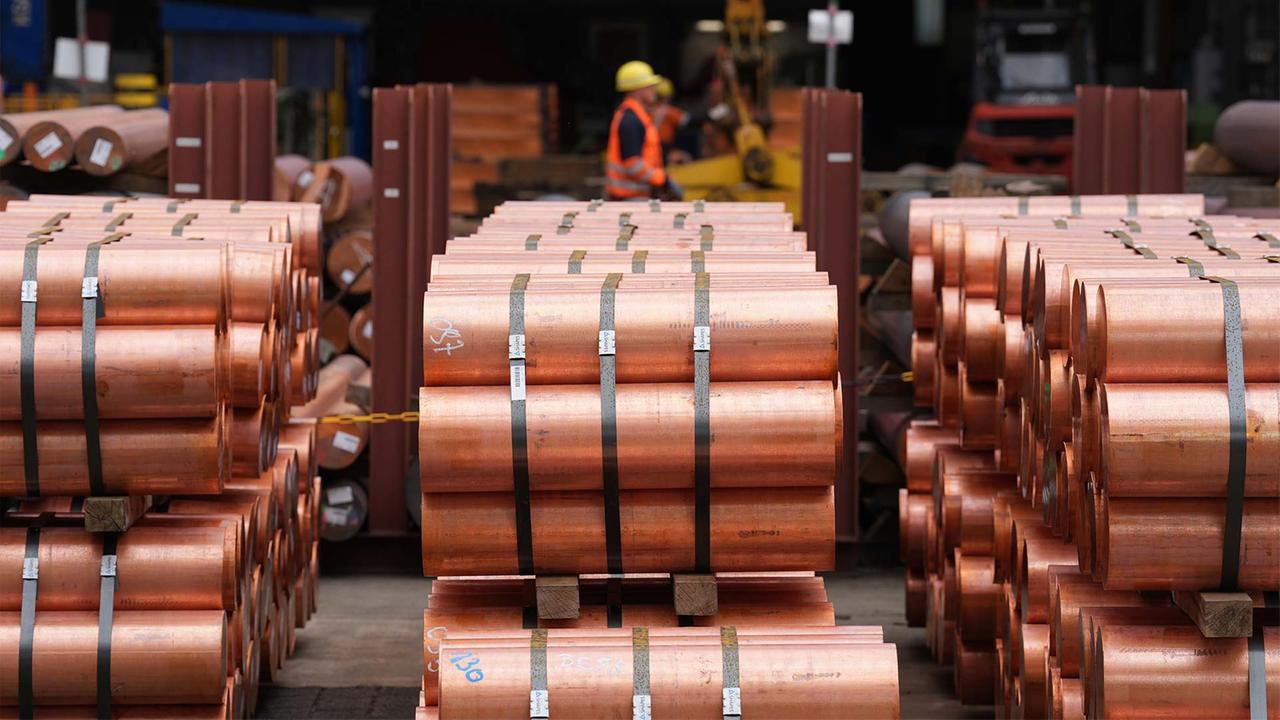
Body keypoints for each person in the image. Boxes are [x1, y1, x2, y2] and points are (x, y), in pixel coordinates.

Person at [605, 61, 682, 200]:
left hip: (635, 197)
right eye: (650, 86)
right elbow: (633, 165)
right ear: (638, 89)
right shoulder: (631, 120)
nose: (654, 90)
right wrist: (663, 180)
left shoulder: (637, 117)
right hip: (629, 199)